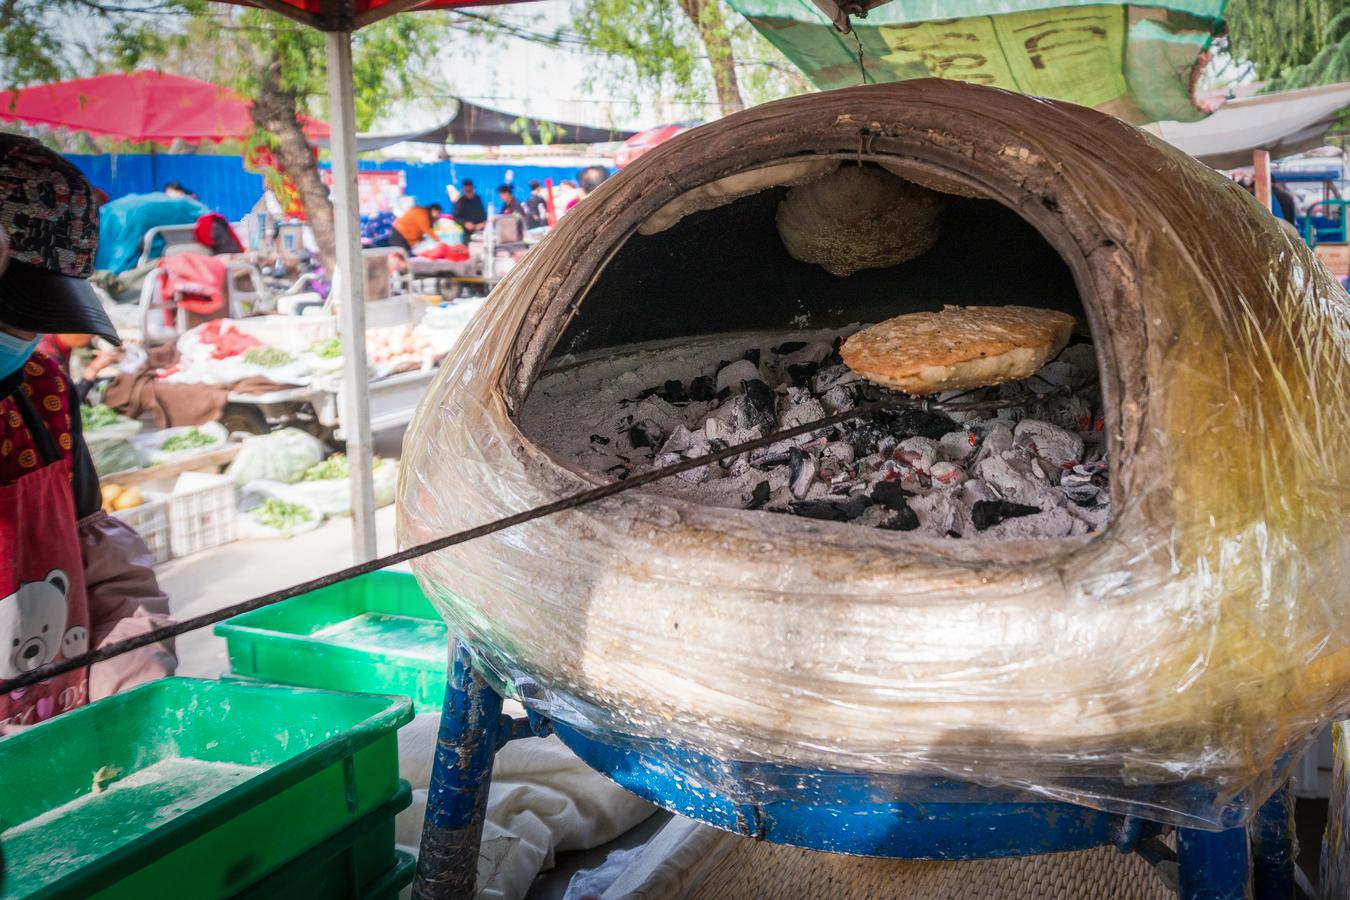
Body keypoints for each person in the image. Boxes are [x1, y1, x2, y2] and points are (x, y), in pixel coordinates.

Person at [0, 135, 175, 732]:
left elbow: (105, 568)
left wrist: (132, 679)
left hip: (60, 733)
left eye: (32, 318)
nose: (21, 337)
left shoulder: (40, 391)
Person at [452, 180, 487, 245]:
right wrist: (465, 223)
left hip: (481, 231)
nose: (469, 193)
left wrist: (483, 223)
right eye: (466, 191)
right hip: (467, 234)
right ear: (463, 190)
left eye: (470, 190)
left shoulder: (478, 199)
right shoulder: (460, 201)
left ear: (473, 189)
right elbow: (455, 217)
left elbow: (483, 214)